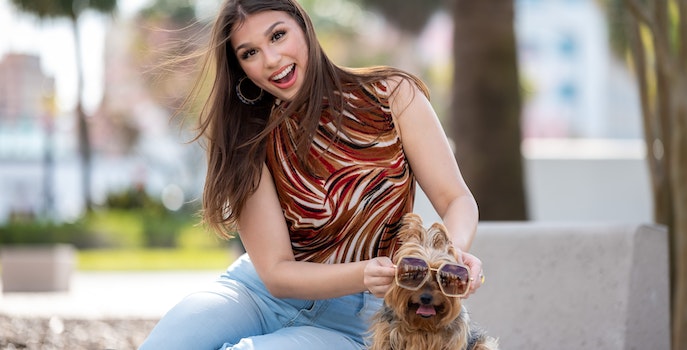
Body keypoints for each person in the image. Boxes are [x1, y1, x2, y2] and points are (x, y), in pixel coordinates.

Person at [140, 0, 485, 349]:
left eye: (278, 35)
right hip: (256, 294)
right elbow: (276, 273)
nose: (271, 59)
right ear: (240, 68)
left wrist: (447, 263)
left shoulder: (393, 95)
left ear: (303, 27)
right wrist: (363, 272)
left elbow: (455, 198)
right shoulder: (245, 137)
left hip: (357, 319)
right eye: (250, 53)